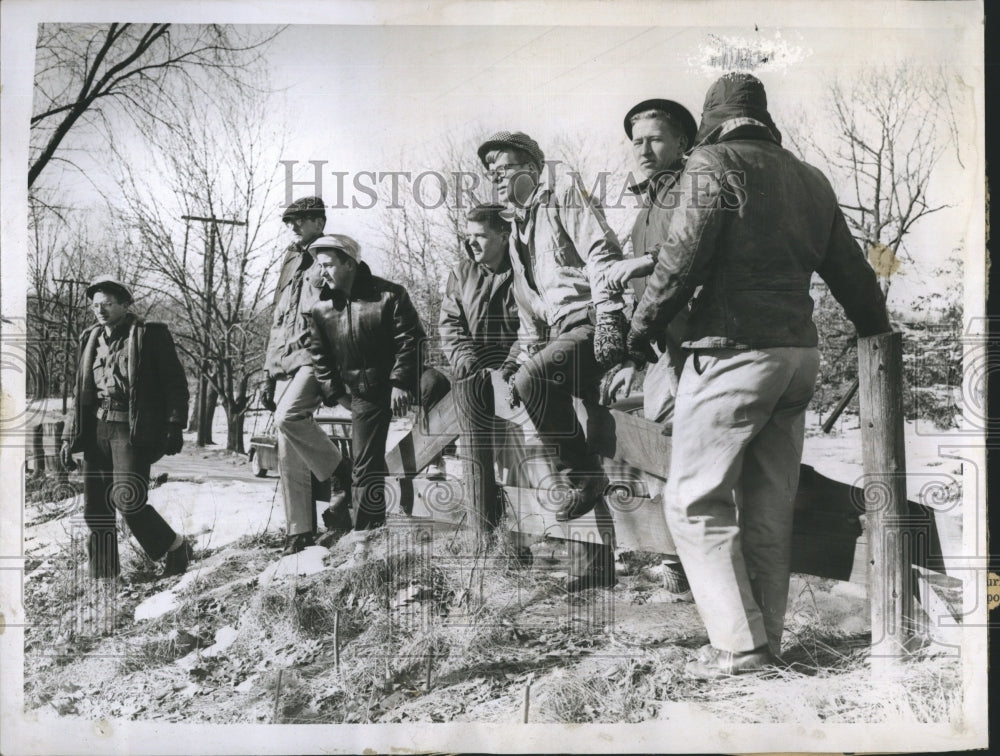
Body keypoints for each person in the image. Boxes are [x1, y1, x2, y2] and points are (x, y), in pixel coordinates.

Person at [627, 73, 891, 677]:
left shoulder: (711, 163)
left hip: (730, 352)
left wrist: (640, 329)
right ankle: (765, 641)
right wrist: (876, 331)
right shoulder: (811, 177)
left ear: (711, 120)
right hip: (798, 357)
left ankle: (740, 646)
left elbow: (681, 259)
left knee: (693, 500)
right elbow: (853, 272)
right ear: (763, 120)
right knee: (769, 506)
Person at [477, 130, 628, 592]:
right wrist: (510, 364)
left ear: (532, 167)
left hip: (593, 322)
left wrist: (610, 320)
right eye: (490, 172)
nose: (496, 177)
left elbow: (603, 253)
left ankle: (583, 477)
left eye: (503, 167)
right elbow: (529, 321)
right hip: (560, 336)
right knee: (574, 425)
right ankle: (591, 571)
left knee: (538, 382)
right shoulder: (518, 235)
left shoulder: (562, 194)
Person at [602, 98, 699, 600]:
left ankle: (684, 562)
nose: (643, 149)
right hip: (665, 348)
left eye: (655, 138)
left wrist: (642, 263)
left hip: (704, 343)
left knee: (685, 448)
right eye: (636, 141)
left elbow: (698, 248)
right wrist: (635, 355)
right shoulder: (647, 202)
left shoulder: (693, 187)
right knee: (656, 444)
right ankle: (671, 557)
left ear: (682, 142)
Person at [307, 235, 449, 531]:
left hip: (404, 381)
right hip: (364, 393)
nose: (323, 273)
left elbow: (412, 341)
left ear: (350, 263)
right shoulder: (321, 309)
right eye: (320, 266)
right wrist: (336, 394)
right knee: (364, 468)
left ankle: (434, 457)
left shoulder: (389, 295)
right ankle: (366, 535)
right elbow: (320, 357)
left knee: (436, 384)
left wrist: (400, 382)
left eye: (329, 265)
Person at [61, 276, 192, 590]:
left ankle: (176, 548)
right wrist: (68, 436)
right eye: (95, 305)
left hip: (130, 428)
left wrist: (175, 424)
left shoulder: (149, 335)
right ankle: (106, 578)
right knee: (95, 507)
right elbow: (80, 391)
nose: (100, 310)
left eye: (107, 303)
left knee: (128, 499)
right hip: (96, 428)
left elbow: (176, 384)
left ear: (124, 304)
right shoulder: (89, 338)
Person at [261, 196, 351, 555]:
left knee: (288, 417)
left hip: (317, 355)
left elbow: (347, 307)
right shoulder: (289, 261)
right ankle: (299, 531)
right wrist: (268, 374)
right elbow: (277, 321)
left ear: (320, 221)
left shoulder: (331, 254)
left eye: (300, 220)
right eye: (290, 222)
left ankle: (341, 471)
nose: (294, 227)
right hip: (286, 360)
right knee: (288, 446)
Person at [438, 204, 523, 543]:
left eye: (480, 236)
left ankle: (518, 541)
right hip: (472, 378)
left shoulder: (524, 272)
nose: (471, 243)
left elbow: (533, 325)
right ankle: (483, 540)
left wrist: (510, 366)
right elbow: (451, 323)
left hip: (516, 378)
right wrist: (468, 361)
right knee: (475, 459)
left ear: (504, 236)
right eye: (468, 236)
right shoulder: (461, 273)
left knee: (518, 461)